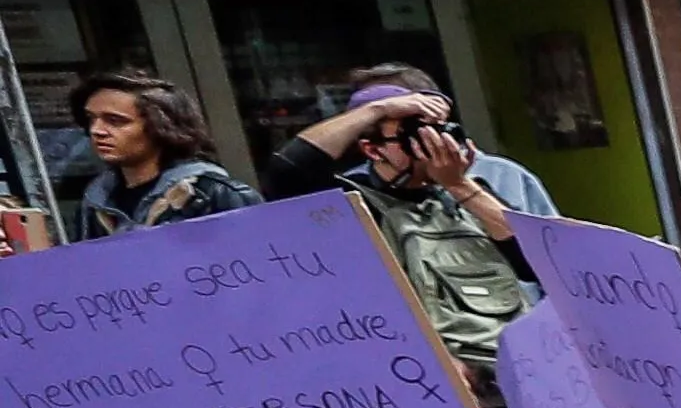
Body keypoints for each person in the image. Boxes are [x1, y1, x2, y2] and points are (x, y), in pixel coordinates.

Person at [257, 71, 532, 388]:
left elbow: (535, 261)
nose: (431, 143)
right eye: (412, 134)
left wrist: (459, 186)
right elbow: (285, 173)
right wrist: (379, 110)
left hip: (523, 369)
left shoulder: (470, 196)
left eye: (437, 132)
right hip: (446, 381)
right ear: (373, 150)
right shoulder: (354, 205)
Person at [53, 72, 251, 238]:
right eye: (91, 119)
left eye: (115, 121)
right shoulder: (94, 205)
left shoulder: (216, 195)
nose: (97, 130)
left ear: (160, 127)